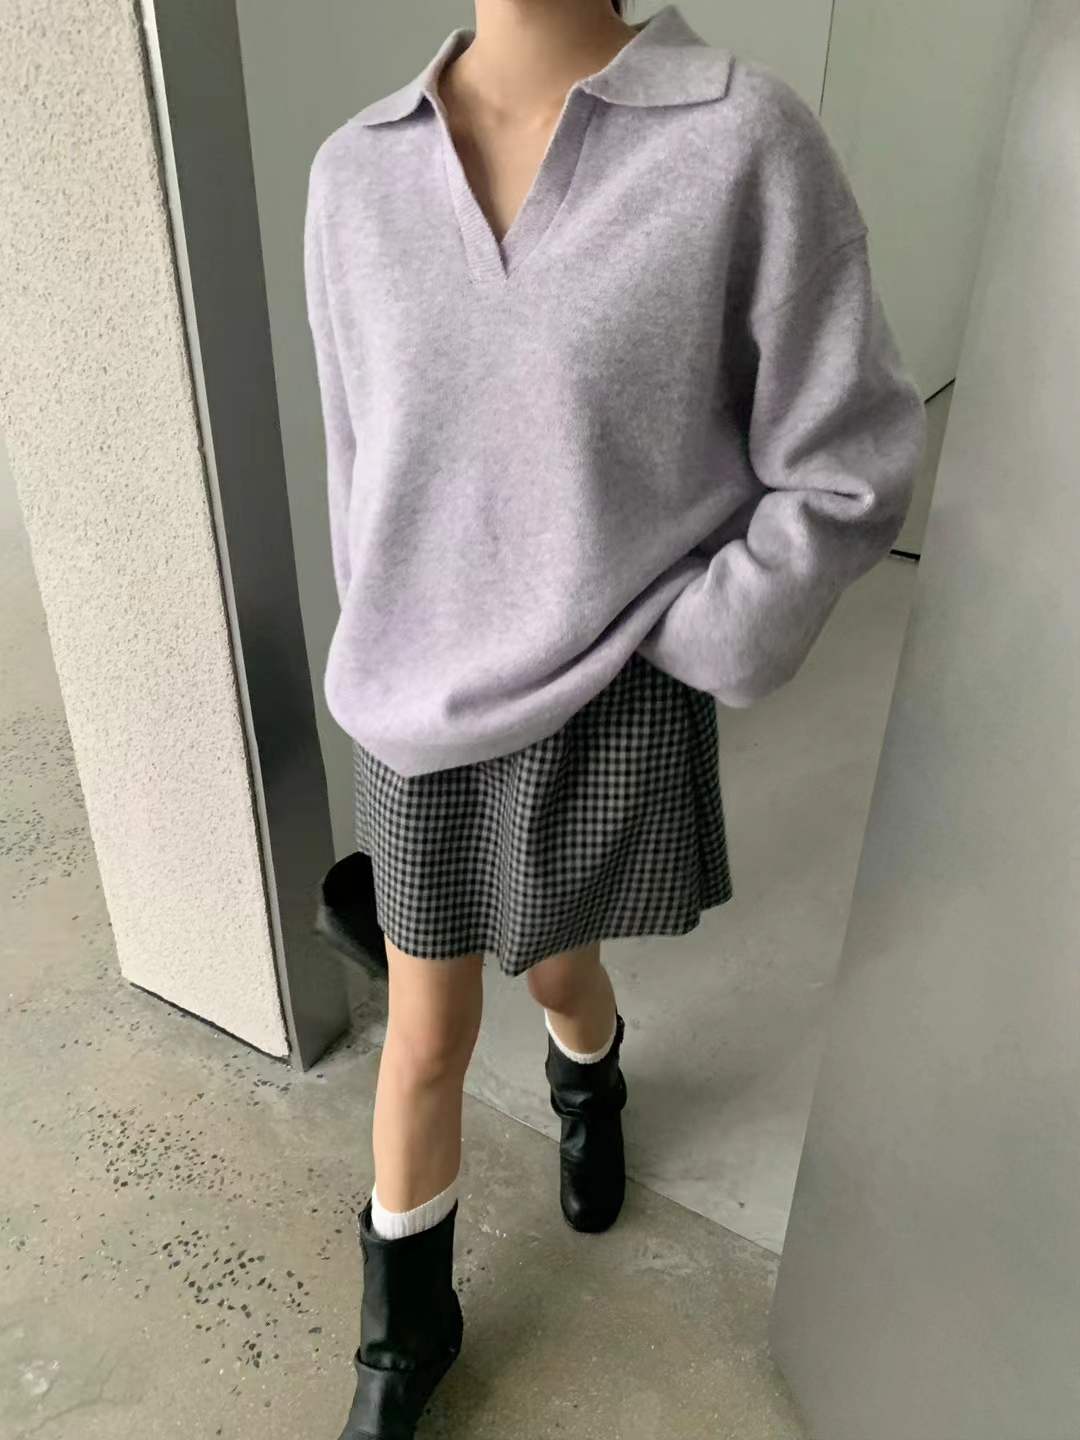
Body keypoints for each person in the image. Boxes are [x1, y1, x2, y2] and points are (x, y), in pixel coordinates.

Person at [302, 2, 927, 1435]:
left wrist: (710, 628)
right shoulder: (356, 175)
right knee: (423, 1031)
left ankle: (590, 1083)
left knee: (557, 968)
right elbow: (359, 465)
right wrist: (383, 639)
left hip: (605, 689)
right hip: (415, 706)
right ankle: (403, 1343)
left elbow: (849, 459)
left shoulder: (738, 141)